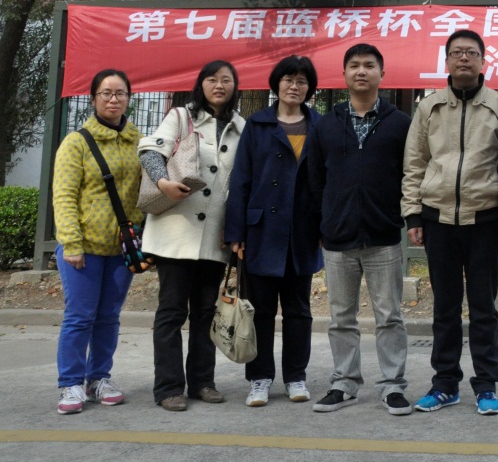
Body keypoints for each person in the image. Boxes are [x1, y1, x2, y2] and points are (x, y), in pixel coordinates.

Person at [402, 30, 498, 416]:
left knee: (484, 306)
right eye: (456, 53)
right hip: (438, 220)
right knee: (445, 307)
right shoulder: (429, 108)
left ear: (483, 61)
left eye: (471, 53)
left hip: (485, 219)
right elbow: (415, 163)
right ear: (446, 61)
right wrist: (413, 214)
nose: (464, 58)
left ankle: (486, 385)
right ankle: (445, 383)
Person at [309, 43, 413, 416]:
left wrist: (399, 217)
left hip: (383, 236)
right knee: (341, 317)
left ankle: (393, 386)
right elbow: (315, 180)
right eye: (354, 65)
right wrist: (322, 224)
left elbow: (410, 175)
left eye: (369, 65)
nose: (361, 71)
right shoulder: (326, 124)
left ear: (382, 74)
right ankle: (344, 383)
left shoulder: (400, 123)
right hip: (337, 237)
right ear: (344, 74)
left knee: (390, 316)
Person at [138, 60, 245, 411]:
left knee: (205, 312)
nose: (219, 85)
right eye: (212, 79)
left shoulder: (241, 126)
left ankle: (202, 382)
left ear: (235, 86)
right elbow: (151, 152)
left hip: (214, 236)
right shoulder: (180, 117)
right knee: (171, 312)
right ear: (200, 85)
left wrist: (236, 231)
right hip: (174, 232)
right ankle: (169, 387)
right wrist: (162, 182)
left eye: (226, 80)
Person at [224, 55, 323, 407]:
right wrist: (236, 233)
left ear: (310, 88)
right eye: (288, 79)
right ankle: (260, 378)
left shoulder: (319, 125)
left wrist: (325, 226)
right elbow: (241, 179)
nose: (294, 86)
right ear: (276, 84)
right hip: (261, 231)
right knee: (260, 311)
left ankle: (296, 377)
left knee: (299, 312)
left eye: (302, 81)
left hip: (302, 231)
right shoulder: (258, 124)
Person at [52, 69, 142, 414]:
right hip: (84, 248)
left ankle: (99, 378)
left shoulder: (138, 141)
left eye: (120, 93)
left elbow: (146, 192)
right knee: (80, 317)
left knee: (109, 317)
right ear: (93, 99)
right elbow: (64, 196)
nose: (113, 99)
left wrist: (141, 233)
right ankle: (71, 383)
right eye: (106, 93)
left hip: (122, 249)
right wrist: (71, 243)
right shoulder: (76, 142)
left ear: (129, 98)